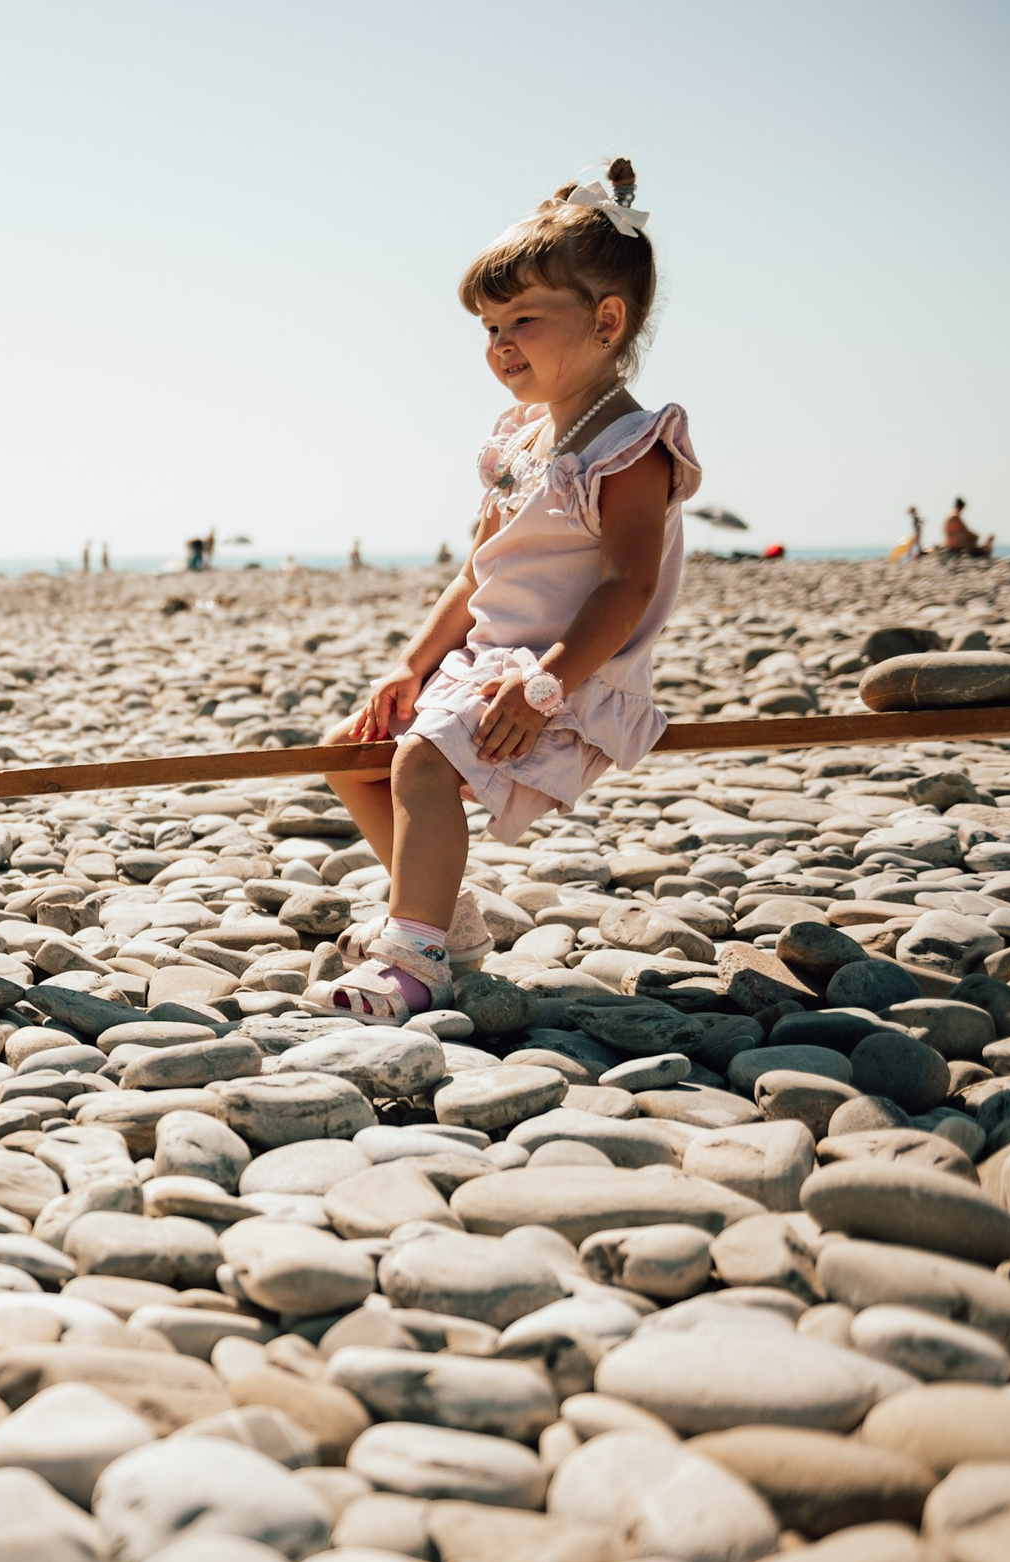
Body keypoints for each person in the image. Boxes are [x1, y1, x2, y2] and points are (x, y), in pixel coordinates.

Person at [308, 158, 697, 1022]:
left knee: (422, 758)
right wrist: (411, 663)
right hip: (491, 659)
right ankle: (450, 919)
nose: (501, 344)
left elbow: (627, 584)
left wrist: (548, 678)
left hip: (572, 671)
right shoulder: (523, 439)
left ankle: (414, 956)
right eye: (488, 327)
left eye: (523, 318)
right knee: (354, 753)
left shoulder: (630, 444)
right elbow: (477, 570)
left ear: (606, 320)